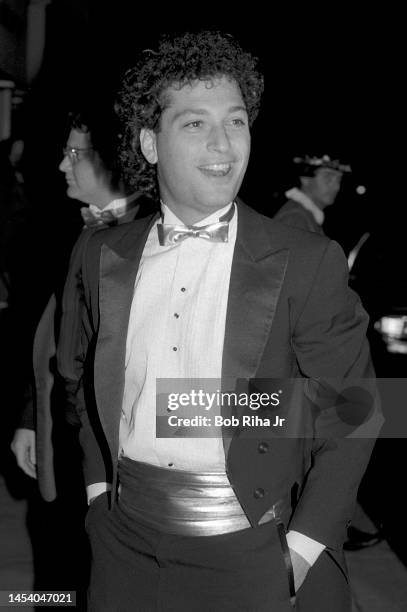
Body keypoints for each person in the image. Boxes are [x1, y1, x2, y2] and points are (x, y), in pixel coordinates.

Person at [71, 31, 379, 611]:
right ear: (150, 144)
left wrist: (303, 549)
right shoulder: (101, 255)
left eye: (235, 122)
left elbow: (355, 408)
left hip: (255, 552)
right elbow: (80, 377)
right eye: (194, 124)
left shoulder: (306, 261)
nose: (223, 143)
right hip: (121, 548)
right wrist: (96, 492)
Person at [11, 108, 147, 500]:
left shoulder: (153, 234)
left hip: (116, 448)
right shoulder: (79, 231)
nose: (61, 165)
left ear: (111, 158)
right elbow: (51, 336)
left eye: (73, 154)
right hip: (66, 431)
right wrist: (32, 421)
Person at [274, 154, 351, 234]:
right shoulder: (296, 218)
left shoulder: (307, 215)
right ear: (305, 179)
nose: (336, 187)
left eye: (339, 180)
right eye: (328, 177)